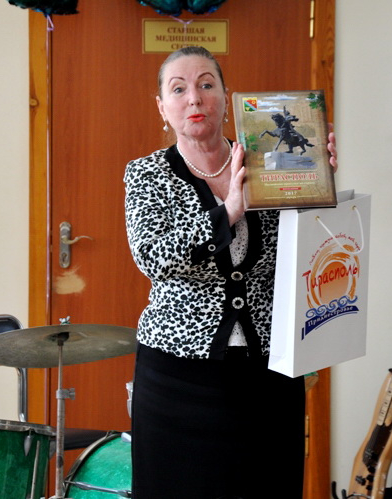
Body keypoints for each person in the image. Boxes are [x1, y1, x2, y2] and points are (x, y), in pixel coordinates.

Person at [124, 46, 337, 499]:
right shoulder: (145, 174)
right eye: (178, 89)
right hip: (177, 380)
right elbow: (152, 257)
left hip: (269, 374)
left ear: (226, 97)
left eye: (206, 84)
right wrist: (228, 212)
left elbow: (304, 249)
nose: (194, 98)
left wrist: (319, 181)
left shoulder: (268, 161)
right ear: (162, 107)